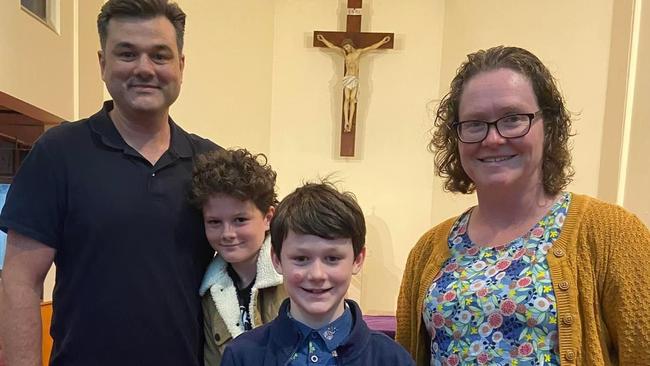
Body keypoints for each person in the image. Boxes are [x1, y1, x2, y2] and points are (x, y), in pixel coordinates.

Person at [396, 46, 650, 365]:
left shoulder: (613, 234)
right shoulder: (429, 250)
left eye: (513, 119)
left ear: (549, 126)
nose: (492, 139)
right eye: (474, 123)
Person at [0, 1, 220, 365]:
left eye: (160, 55)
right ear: (103, 63)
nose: (144, 68)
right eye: (127, 54)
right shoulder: (57, 154)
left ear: (181, 66)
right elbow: (20, 280)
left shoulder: (212, 164)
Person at [221, 181, 415, 365]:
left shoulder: (392, 359)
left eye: (332, 258)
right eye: (301, 259)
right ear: (277, 260)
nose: (317, 274)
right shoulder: (242, 356)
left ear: (358, 259)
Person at [190, 148, 287, 365]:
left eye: (240, 220)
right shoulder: (210, 292)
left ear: (268, 217)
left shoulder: (293, 277)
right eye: (215, 222)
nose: (228, 234)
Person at [316, 34, 391, 132]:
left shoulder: (358, 53)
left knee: (352, 99)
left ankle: (350, 121)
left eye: (346, 47)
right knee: (346, 99)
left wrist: (382, 41)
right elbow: (332, 46)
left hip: (354, 78)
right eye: (344, 47)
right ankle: (346, 121)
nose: (346, 49)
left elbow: (371, 47)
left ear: (350, 45)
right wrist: (323, 40)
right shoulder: (344, 54)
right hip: (347, 78)